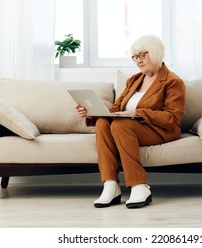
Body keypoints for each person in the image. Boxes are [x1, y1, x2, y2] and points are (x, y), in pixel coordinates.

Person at [74, 34, 186, 209]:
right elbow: (117, 108)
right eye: (135, 56)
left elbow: (172, 118)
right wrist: (91, 112)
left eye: (143, 55)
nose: (138, 60)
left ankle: (139, 185)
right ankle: (110, 185)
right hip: (129, 127)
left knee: (121, 124)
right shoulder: (134, 80)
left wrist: (139, 112)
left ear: (155, 53)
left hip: (158, 130)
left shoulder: (173, 82)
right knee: (103, 122)